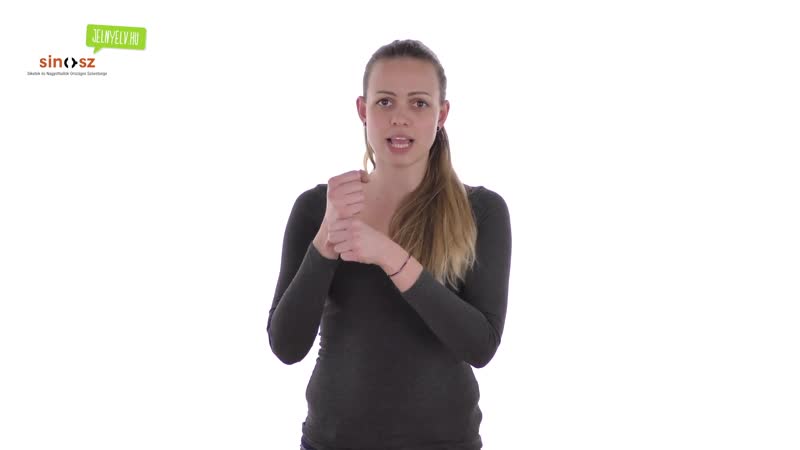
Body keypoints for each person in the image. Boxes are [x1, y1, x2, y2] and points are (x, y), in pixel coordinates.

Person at [267, 39, 512, 450]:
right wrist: (327, 237)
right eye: (385, 102)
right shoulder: (318, 207)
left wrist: (390, 255)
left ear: (441, 114)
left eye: (418, 103)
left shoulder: (482, 211)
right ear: (363, 110)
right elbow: (287, 346)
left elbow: (480, 346)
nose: (400, 118)